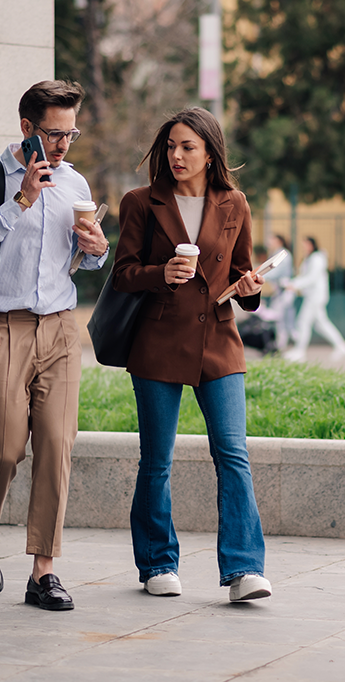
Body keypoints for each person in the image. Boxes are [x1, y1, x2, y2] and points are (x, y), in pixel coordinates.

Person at [0, 80, 109, 610]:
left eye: (71, 133)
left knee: (58, 446)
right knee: (3, 446)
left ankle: (43, 571)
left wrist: (95, 251)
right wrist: (21, 201)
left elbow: (77, 258)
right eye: (53, 134)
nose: (63, 146)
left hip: (61, 326)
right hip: (4, 326)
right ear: (27, 129)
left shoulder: (74, 181)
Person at [111, 107, 272, 603]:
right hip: (158, 341)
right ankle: (158, 562)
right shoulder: (141, 201)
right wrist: (161, 274)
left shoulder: (234, 204)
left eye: (188, 147)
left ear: (209, 154)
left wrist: (250, 287)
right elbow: (123, 274)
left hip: (219, 341)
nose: (176, 156)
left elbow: (241, 279)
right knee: (156, 460)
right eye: (171, 146)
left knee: (233, 454)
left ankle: (244, 570)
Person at [282, 236, 345, 362]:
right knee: (321, 324)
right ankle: (342, 346)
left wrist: (294, 284)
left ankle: (300, 351)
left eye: (306, 244)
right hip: (312, 295)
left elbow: (311, 277)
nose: (304, 247)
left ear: (312, 244)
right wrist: (294, 283)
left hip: (315, 296)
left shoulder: (317, 259)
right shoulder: (310, 258)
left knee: (303, 322)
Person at [260, 233, 297, 350]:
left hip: (285, 292)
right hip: (278, 293)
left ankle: (285, 345)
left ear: (279, 241)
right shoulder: (274, 254)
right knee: (279, 319)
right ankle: (281, 346)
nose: (270, 242)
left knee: (283, 320)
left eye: (272, 239)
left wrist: (260, 275)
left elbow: (275, 272)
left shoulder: (284, 254)